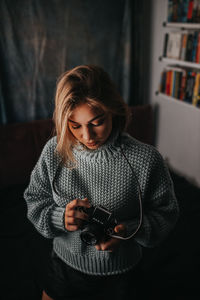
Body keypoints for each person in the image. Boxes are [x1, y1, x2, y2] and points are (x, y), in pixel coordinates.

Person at [24, 64, 179, 300]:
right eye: (75, 126)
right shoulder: (54, 152)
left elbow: (166, 213)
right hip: (64, 267)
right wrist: (59, 217)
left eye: (96, 122)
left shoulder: (146, 159)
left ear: (114, 110)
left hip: (122, 275)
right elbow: (35, 200)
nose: (87, 136)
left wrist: (127, 231)